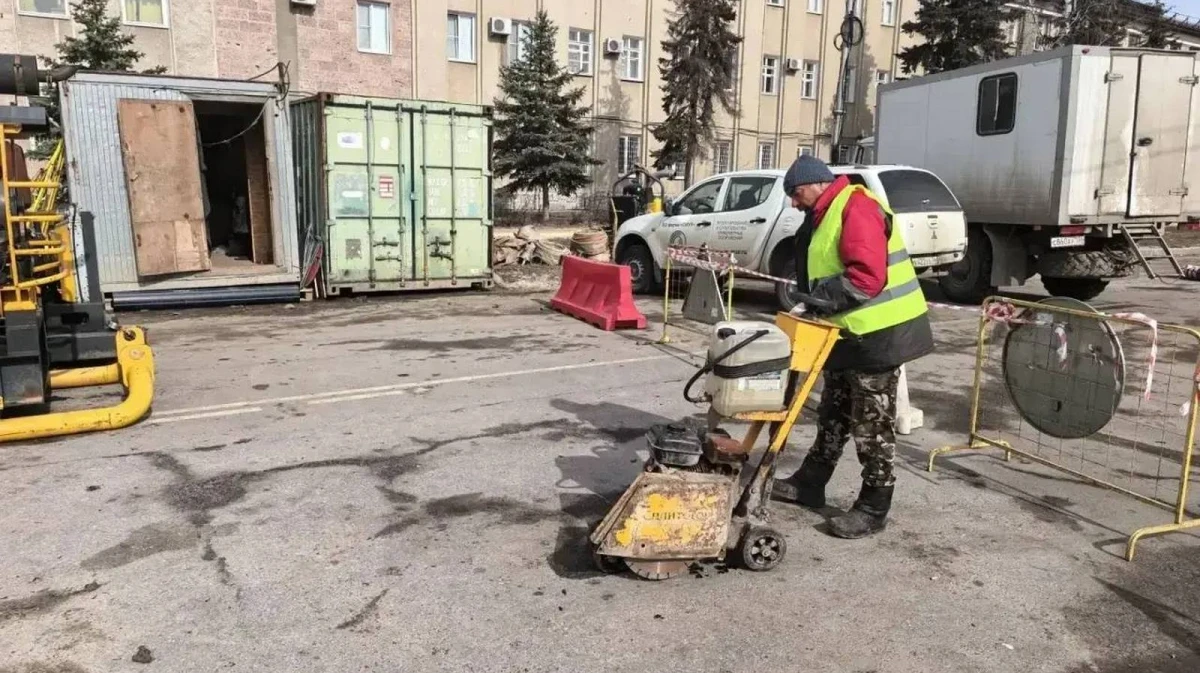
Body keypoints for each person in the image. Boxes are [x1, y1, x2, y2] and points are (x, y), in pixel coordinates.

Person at [774, 155, 934, 539]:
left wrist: (818, 298)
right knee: (833, 412)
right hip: (846, 332)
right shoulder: (824, 213)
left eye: (796, 193)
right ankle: (811, 482)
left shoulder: (856, 206)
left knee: (872, 425)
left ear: (816, 184)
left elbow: (866, 277)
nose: (793, 202)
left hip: (878, 336)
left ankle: (873, 507)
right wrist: (813, 302)